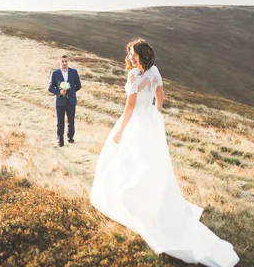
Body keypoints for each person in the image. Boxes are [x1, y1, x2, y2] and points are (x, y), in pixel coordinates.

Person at [90, 39, 239, 267]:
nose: (130, 58)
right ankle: (151, 197)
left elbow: (129, 107)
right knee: (150, 163)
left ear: (142, 54)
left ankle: (132, 201)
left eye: (133, 54)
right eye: (129, 54)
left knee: (128, 161)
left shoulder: (133, 77)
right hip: (149, 121)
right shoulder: (155, 71)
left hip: (135, 122)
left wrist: (120, 130)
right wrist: (154, 115)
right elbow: (160, 96)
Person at [47, 54, 82, 147]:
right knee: (60, 122)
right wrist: (59, 92)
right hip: (60, 102)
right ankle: (60, 141)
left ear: (68, 61)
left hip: (71, 101)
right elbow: (50, 88)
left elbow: (78, 85)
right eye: (62, 61)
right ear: (59, 62)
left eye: (66, 61)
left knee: (71, 121)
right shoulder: (55, 74)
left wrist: (71, 92)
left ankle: (70, 139)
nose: (64, 63)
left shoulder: (74, 72)